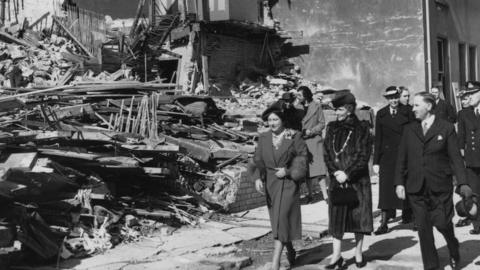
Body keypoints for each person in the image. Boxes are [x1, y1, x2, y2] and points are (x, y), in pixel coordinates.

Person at [394, 92, 473, 270]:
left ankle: (453, 246)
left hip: (439, 185)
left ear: (428, 106)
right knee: (424, 229)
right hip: (416, 187)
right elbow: (402, 158)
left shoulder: (446, 127)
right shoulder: (409, 129)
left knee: (443, 223)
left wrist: (463, 183)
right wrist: (399, 182)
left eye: (416, 105)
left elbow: (455, 158)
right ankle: (431, 266)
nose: (412, 109)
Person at [250, 105, 308, 270]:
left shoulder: (294, 136)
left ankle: (275, 262)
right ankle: (290, 249)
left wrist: (288, 171)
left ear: (283, 120)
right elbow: (257, 159)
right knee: (277, 221)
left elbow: (303, 158)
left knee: (281, 218)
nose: (272, 123)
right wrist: (256, 178)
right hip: (271, 184)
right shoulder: (264, 137)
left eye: (275, 119)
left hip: (288, 183)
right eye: (269, 120)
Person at [323, 91, 373, 269]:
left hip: (357, 182)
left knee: (358, 219)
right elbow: (327, 153)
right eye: (336, 109)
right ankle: (336, 255)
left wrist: (348, 173)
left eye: (340, 109)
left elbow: (363, 155)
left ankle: (358, 252)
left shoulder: (362, 128)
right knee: (336, 218)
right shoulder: (331, 128)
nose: (336, 112)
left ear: (350, 110)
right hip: (337, 180)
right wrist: (336, 172)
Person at [373, 86, 413, 235]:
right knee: (385, 189)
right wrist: (376, 161)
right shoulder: (381, 114)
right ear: (387, 99)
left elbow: (413, 133)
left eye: (396, 97)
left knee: (408, 185)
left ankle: (410, 215)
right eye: (390, 98)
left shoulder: (408, 111)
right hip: (387, 158)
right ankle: (383, 223)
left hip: (405, 155)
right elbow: (378, 139)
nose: (394, 100)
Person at [296, 86, 329, 203]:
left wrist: (312, 131)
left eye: (299, 95)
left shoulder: (317, 106)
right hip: (302, 142)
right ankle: (310, 195)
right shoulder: (296, 108)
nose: (297, 97)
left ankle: (325, 195)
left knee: (319, 169)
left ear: (306, 95)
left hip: (315, 141)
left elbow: (322, 123)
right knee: (307, 171)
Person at [456, 81, 480, 234]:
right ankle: (477, 225)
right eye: (467, 94)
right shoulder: (464, 113)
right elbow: (461, 138)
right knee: (474, 194)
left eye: (472, 93)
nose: (469, 97)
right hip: (472, 160)